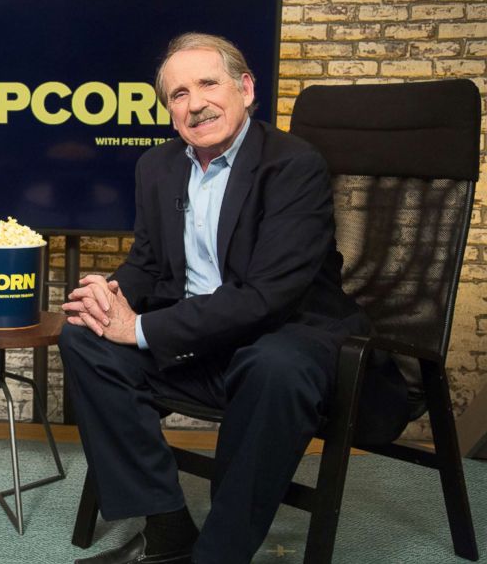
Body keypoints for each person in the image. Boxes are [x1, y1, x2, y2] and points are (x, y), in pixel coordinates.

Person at [59, 33, 410, 564]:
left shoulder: (293, 166)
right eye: (178, 94)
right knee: (83, 338)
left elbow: (268, 296)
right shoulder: (157, 167)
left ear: (245, 89)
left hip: (290, 339)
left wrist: (140, 329)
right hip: (203, 341)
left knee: (273, 364)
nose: (195, 103)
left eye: (207, 83)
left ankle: (218, 556)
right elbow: (149, 264)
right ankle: (168, 528)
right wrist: (110, 298)